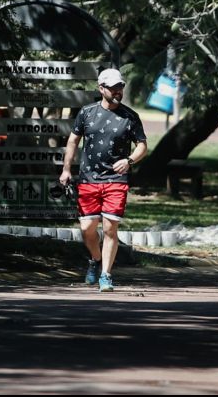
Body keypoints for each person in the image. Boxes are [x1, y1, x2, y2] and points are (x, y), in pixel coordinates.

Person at [59, 68, 148, 292]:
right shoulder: (87, 113)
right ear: (101, 89)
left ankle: (106, 275)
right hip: (88, 178)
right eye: (113, 87)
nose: (118, 91)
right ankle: (96, 259)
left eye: (120, 87)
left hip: (116, 179)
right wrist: (66, 169)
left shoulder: (130, 117)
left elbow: (142, 146)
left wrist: (129, 160)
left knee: (110, 228)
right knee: (87, 228)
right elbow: (72, 142)